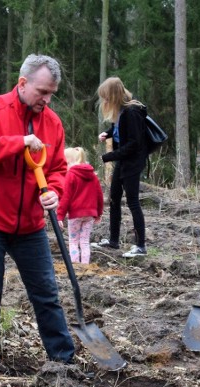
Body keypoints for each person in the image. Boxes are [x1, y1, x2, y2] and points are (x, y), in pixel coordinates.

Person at [0, 54, 75, 372]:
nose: (47, 99)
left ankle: (63, 359)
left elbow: (58, 168)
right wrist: (19, 142)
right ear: (23, 83)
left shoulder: (53, 123)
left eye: (52, 93)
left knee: (46, 293)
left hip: (30, 225)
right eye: (42, 92)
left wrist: (55, 190)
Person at [96, 77, 149, 258]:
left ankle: (141, 246)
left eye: (106, 97)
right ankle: (113, 240)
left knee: (133, 201)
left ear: (114, 95)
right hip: (123, 161)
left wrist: (108, 156)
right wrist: (108, 133)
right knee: (114, 199)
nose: (105, 101)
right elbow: (119, 129)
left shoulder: (132, 112)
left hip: (132, 162)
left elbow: (134, 143)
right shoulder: (120, 112)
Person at [58, 147, 104, 264]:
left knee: (73, 241)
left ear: (70, 162)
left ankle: (75, 265)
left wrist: (60, 216)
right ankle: (85, 265)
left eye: (65, 164)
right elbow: (99, 196)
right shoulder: (92, 175)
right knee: (84, 241)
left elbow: (66, 197)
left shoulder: (71, 175)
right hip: (90, 215)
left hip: (75, 215)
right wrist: (98, 213)